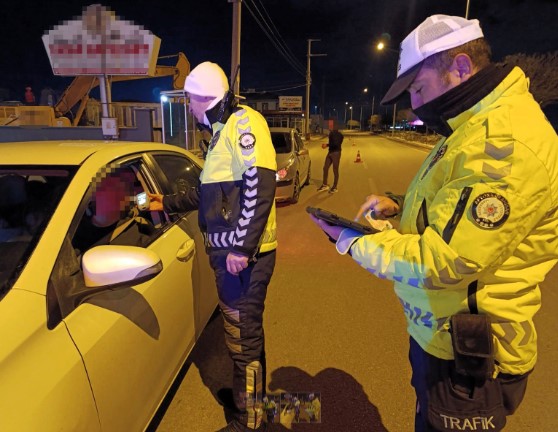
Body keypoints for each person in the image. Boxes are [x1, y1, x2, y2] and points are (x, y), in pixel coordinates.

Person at [310, 14, 558, 432]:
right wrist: (399, 203)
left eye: (420, 88)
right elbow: (453, 208)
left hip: (472, 357)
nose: (416, 105)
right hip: (446, 339)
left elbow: (445, 260)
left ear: (460, 67)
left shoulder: (504, 144)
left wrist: (352, 240)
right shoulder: (471, 129)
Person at [148, 61, 277, 432]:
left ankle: (250, 421)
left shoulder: (245, 124)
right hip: (232, 258)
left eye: (190, 100)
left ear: (206, 98)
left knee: (243, 341)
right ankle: (246, 400)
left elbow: (259, 185)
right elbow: (210, 195)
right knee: (244, 336)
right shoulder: (222, 132)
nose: (189, 108)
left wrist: (242, 248)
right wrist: (164, 202)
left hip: (243, 261)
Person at [317, 129, 344, 193]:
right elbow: (334, 143)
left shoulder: (336, 135)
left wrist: (326, 145)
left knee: (335, 170)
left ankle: (335, 187)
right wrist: (328, 145)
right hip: (330, 152)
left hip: (336, 153)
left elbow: (336, 144)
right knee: (325, 168)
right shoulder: (335, 135)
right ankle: (325, 185)